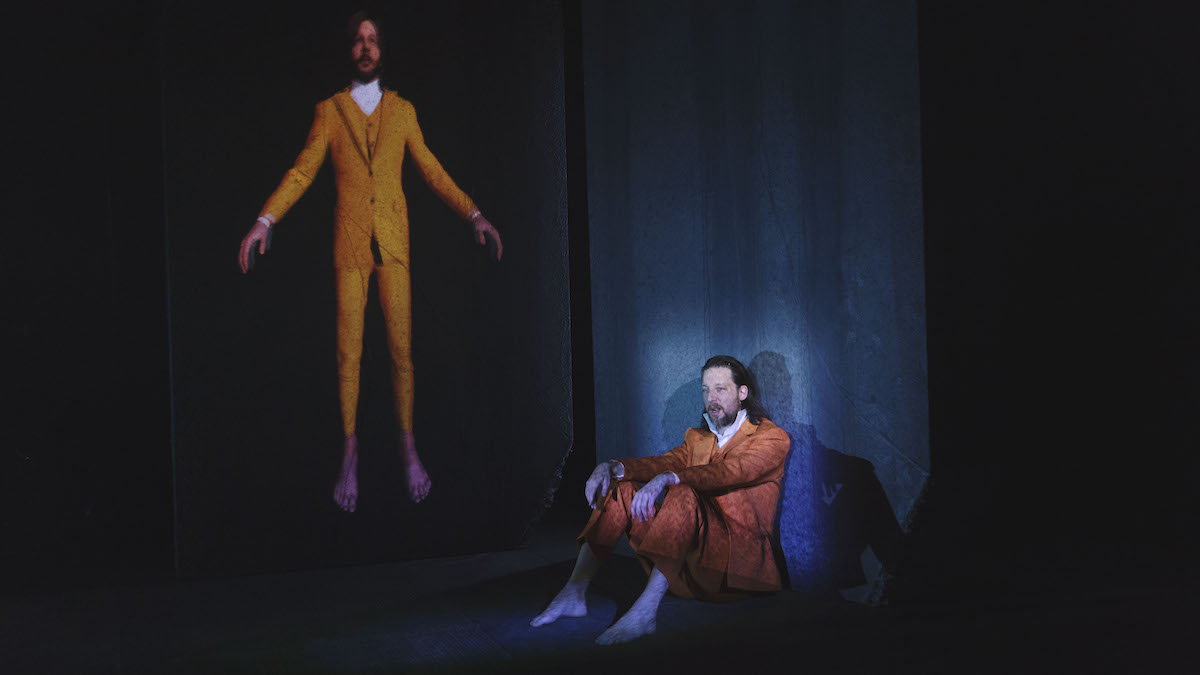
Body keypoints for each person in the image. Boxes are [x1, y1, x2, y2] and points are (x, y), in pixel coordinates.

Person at [237, 10, 503, 511]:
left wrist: (474, 213)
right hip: (350, 246)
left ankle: (408, 448)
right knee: (348, 354)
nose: (365, 46)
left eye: (373, 39)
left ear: (383, 50)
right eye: (359, 39)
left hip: (395, 246)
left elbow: (430, 168)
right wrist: (264, 221)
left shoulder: (402, 111)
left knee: (402, 352)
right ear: (349, 49)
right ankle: (349, 451)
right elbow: (302, 171)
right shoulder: (329, 111)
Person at [531, 355, 791, 644]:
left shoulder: (772, 437)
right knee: (621, 488)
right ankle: (575, 591)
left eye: (720, 389)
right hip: (685, 571)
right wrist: (613, 467)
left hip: (732, 576)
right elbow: (665, 462)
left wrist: (671, 478)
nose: (711, 398)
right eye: (706, 390)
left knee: (682, 490)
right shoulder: (699, 437)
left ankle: (645, 611)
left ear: (742, 392)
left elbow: (731, 471)